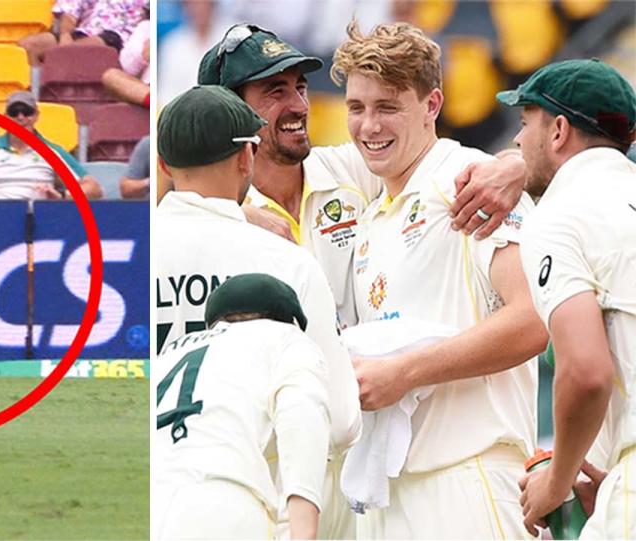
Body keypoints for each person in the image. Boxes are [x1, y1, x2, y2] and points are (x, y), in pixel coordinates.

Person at [329, 21, 549, 538]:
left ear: (432, 105)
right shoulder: (371, 215)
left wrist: (405, 372)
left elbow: (535, 319)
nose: (368, 125)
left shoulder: (472, 181)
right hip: (387, 494)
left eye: (387, 107)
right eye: (356, 108)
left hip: (466, 481)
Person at [196, 24, 528, 331]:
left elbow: (428, 157)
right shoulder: (215, 214)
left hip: (365, 388)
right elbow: (172, 219)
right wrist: (234, 215)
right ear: (229, 114)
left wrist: (516, 164)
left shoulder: (353, 169)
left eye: (300, 88)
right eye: (275, 92)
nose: (299, 105)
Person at [155, 85, 362, 528]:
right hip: (250, 500)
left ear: (162, 164)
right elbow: (341, 421)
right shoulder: (285, 260)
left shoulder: (139, 252)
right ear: (247, 157)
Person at [495, 59, 636, 539]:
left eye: (523, 123)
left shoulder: (559, 216)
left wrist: (556, 483)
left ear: (557, 131)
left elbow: (586, 371)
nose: (517, 141)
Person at [154, 273, 331, 540]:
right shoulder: (286, 338)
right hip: (222, 508)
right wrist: (303, 533)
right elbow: (302, 416)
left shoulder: (167, 353)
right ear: (289, 319)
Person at [0, 91, 102, 201]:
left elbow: (93, 189)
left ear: (36, 116)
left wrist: (62, 196)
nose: (21, 117)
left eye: (27, 112)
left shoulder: (52, 151)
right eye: (14, 112)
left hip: (38, 218)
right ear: (5, 117)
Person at [18, 0, 148, 65]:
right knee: (28, 45)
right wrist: (65, 35)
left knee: (76, 50)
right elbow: (70, 10)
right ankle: (38, 97)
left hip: (119, 38)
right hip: (83, 32)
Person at [101, 17, 150, 108]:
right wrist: (143, 54)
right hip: (146, 89)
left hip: (169, 87)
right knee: (111, 76)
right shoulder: (146, 27)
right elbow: (127, 67)